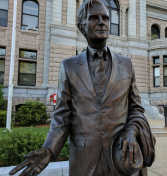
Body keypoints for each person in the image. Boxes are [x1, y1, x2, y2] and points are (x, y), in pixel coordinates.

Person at [9, 0, 155, 175]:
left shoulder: (127, 64)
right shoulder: (69, 67)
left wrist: (132, 130)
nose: (102, 22)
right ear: (81, 27)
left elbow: (136, 108)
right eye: (94, 18)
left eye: (106, 18)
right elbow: (62, 116)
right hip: (85, 162)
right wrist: (49, 150)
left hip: (122, 158)